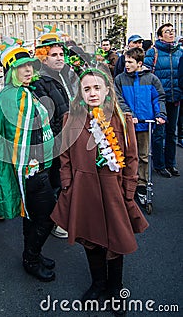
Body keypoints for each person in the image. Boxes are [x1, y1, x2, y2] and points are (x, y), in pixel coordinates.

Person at [51, 66, 148, 316]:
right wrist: (67, 184)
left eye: (97, 88)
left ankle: (116, 288)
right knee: (90, 237)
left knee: (115, 237)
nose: (92, 93)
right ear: (80, 93)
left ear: (107, 91)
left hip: (113, 189)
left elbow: (132, 157)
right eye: (87, 89)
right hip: (83, 189)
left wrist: (128, 190)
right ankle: (98, 283)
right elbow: (64, 155)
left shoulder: (122, 120)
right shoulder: (70, 119)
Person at [0, 38, 56, 282]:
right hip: (30, 169)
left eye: (30, 65)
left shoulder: (21, 92)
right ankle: (31, 258)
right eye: (21, 67)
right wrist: (28, 166)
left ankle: (33, 254)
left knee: (32, 214)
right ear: (11, 71)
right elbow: (16, 136)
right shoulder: (15, 96)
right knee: (46, 215)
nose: (28, 70)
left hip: (37, 165)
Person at [33, 25, 77, 238]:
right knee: (56, 181)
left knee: (66, 179)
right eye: (54, 55)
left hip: (70, 137)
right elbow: (47, 117)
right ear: (43, 58)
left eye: (61, 54)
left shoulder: (65, 76)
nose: (60, 58)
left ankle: (63, 216)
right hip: (56, 141)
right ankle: (55, 221)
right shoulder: (40, 82)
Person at [114, 47, 166, 202]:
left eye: (130, 62)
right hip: (127, 124)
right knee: (124, 155)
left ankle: (142, 184)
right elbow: (118, 99)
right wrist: (129, 115)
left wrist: (160, 114)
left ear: (140, 63)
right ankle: (126, 182)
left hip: (145, 124)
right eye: (125, 62)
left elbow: (158, 98)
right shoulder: (120, 79)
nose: (126, 65)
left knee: (143, 156)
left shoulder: (152, 79)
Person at [144, 23, 182, 177]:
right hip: (159, 99)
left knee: (172, 133)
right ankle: (159, 165)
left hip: (176, 97)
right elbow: (146, 75)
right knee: (159, 133)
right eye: (167, 31)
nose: (171, 33)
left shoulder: (179, 52)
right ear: (160, 36)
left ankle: (171, 164)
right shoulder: (153, 52)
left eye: (172, 31)